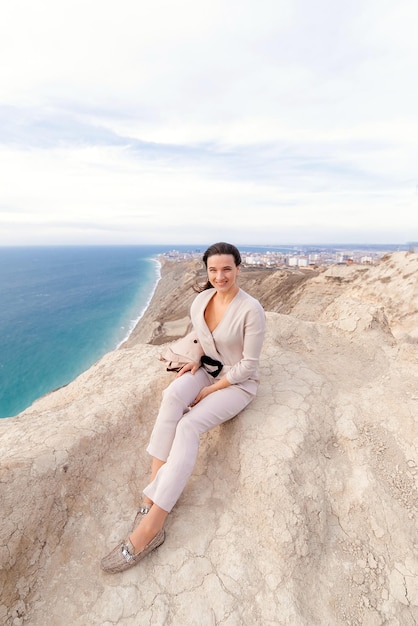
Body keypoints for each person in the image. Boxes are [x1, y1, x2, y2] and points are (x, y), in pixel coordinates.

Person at [101, 242, 266, 573]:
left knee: (188, 426)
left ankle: (152, 527)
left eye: (227, 269)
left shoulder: (251, 309)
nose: (220, 276)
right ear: (206, 271)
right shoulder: (201, 300)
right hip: (206, 370)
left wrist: (210, 391)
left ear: (238, 268)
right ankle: (153, 492)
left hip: (236, 383)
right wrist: (194, 361)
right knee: (172, 397)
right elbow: (199, 337)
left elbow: (248, 365)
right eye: (213, 270)